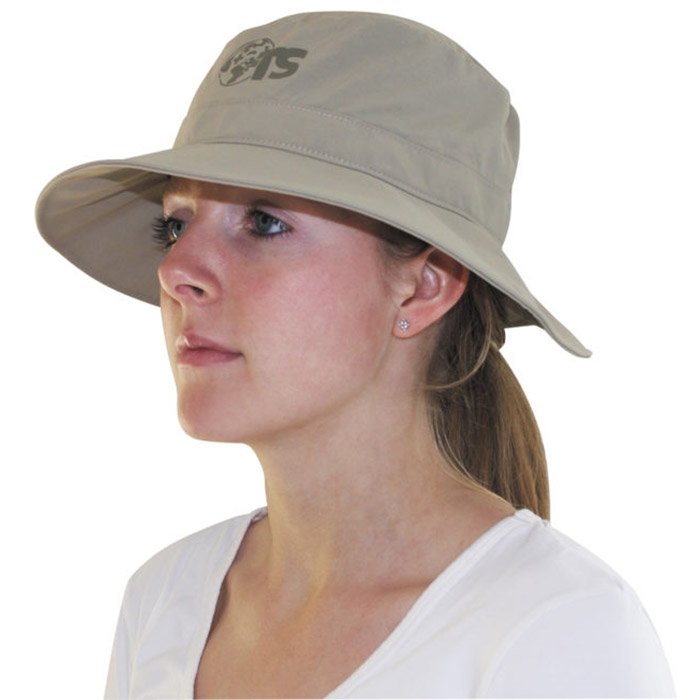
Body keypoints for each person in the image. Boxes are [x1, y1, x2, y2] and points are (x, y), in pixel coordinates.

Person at [35, 11, 674, 699]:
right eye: (175, 225)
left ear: (425, 287)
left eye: (265, 222)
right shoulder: (164, 602)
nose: (175, 270)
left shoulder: (555, 627)